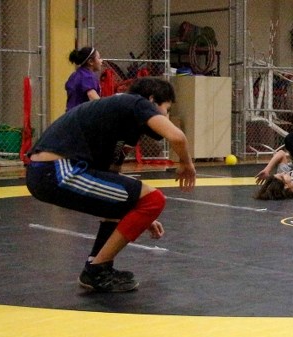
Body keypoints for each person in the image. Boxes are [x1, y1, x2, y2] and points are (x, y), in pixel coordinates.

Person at [25, 77, 196, 293]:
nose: (168, 117)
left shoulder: (124, 123)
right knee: (154, 198)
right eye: (167, 109)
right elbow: (178, 137)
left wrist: (138, 212)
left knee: (138, 201)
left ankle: (97, 266)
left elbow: (111, 174)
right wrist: (187, 165)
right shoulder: (136, 103)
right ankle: (96, 270)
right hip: (57, 170)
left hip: (45, 172)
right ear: (152, 100)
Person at [65, 46, 104, 111]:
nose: (101, 60)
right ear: (91, 62)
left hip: (70, 115)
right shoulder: (88, 77)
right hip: (81, 116)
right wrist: (105, 109)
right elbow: (92, 96)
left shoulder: (75, 75)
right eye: (99, 58)